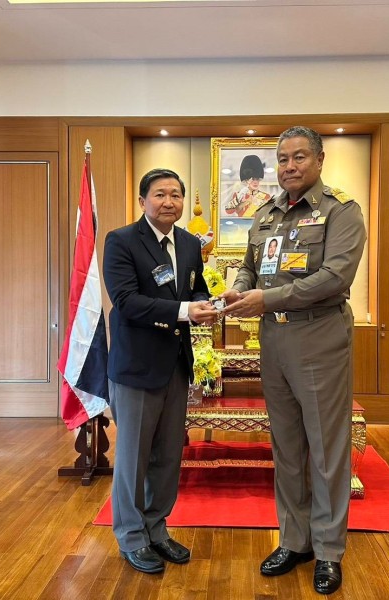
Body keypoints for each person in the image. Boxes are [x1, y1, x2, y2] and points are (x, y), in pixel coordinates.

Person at [220, 127, 366, 595]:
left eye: (299, 157)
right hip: (273, 339)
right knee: (286, 447)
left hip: (319, 335)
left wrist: (266, 299)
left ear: (319, 160)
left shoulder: (341, 211)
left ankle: (328, 550)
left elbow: (334, 277)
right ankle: (294, 540)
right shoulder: (265, 213)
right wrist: (239, 289)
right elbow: (249, 265)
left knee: (325, 450)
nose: (289, 166)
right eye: (282, 159)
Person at [103, 168, 219, 574]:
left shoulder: (187, 242)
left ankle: (156, 528)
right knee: (133, 459)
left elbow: (196, 286)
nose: (169, 201)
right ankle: (131, 536)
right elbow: (126, 301)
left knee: (169, 455)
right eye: (159, 194)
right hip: (136, 367)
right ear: (142, 201)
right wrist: (185, 310)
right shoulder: (121, 241)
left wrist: (206, 304)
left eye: (175, 195)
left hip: (175, 365)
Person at [224, 154, 272, 218]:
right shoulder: (239, 195)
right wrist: (244, 202)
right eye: (252, 179)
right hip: (241, 224)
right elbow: (228, 211)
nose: (255, 182)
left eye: (257, 179)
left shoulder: (266, 196)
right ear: (247, 180)